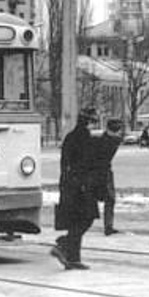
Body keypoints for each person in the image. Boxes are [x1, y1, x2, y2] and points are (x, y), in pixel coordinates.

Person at [52, 107, 100, 270]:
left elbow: (66, 163)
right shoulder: (84, 138)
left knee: (76, 221)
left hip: (70, 185)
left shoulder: (71, 136)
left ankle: (73, 257)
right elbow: (87, 163)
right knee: (86, 218)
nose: (95, 125)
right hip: (81, 186)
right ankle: (64, 244)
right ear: (88, 122)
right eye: (94, 122)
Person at [93, 118, 124, 236]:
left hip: (100, 171)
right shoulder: (112, 141)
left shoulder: (102, 139)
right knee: (109, 199)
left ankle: (108, 226)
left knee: (106, 199)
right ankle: (108, 226)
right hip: (103, 172)